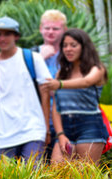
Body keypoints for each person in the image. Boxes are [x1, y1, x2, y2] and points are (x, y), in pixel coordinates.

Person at [0, 16, 51, 161]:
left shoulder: (33, 58)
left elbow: (45, 93)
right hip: (2, 133)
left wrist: (46, 128)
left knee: (33, 178)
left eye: (7, 34)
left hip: (33, 129)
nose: (2, 38)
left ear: (16, 36)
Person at [42, 28, 109, 164]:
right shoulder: (61, 74)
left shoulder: (97, 68)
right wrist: (60, 134)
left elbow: (86, 82)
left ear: (84, 47)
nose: (68, 49)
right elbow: (56, 109)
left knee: (83, 177)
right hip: (65, 128)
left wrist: (59, 84)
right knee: (56, 175)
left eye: (73, 45)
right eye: (65, 46)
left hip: (90, 126)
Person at [33, 10, 67, 159]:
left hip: (63, 119)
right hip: (36, 119)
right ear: (41, 28)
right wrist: (40, 58)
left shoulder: (70, 54)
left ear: (64, 30)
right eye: (47, 28)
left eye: (55, 28)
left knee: (60, 165)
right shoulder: (31, 54)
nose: (51, 32)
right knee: (36, 165)